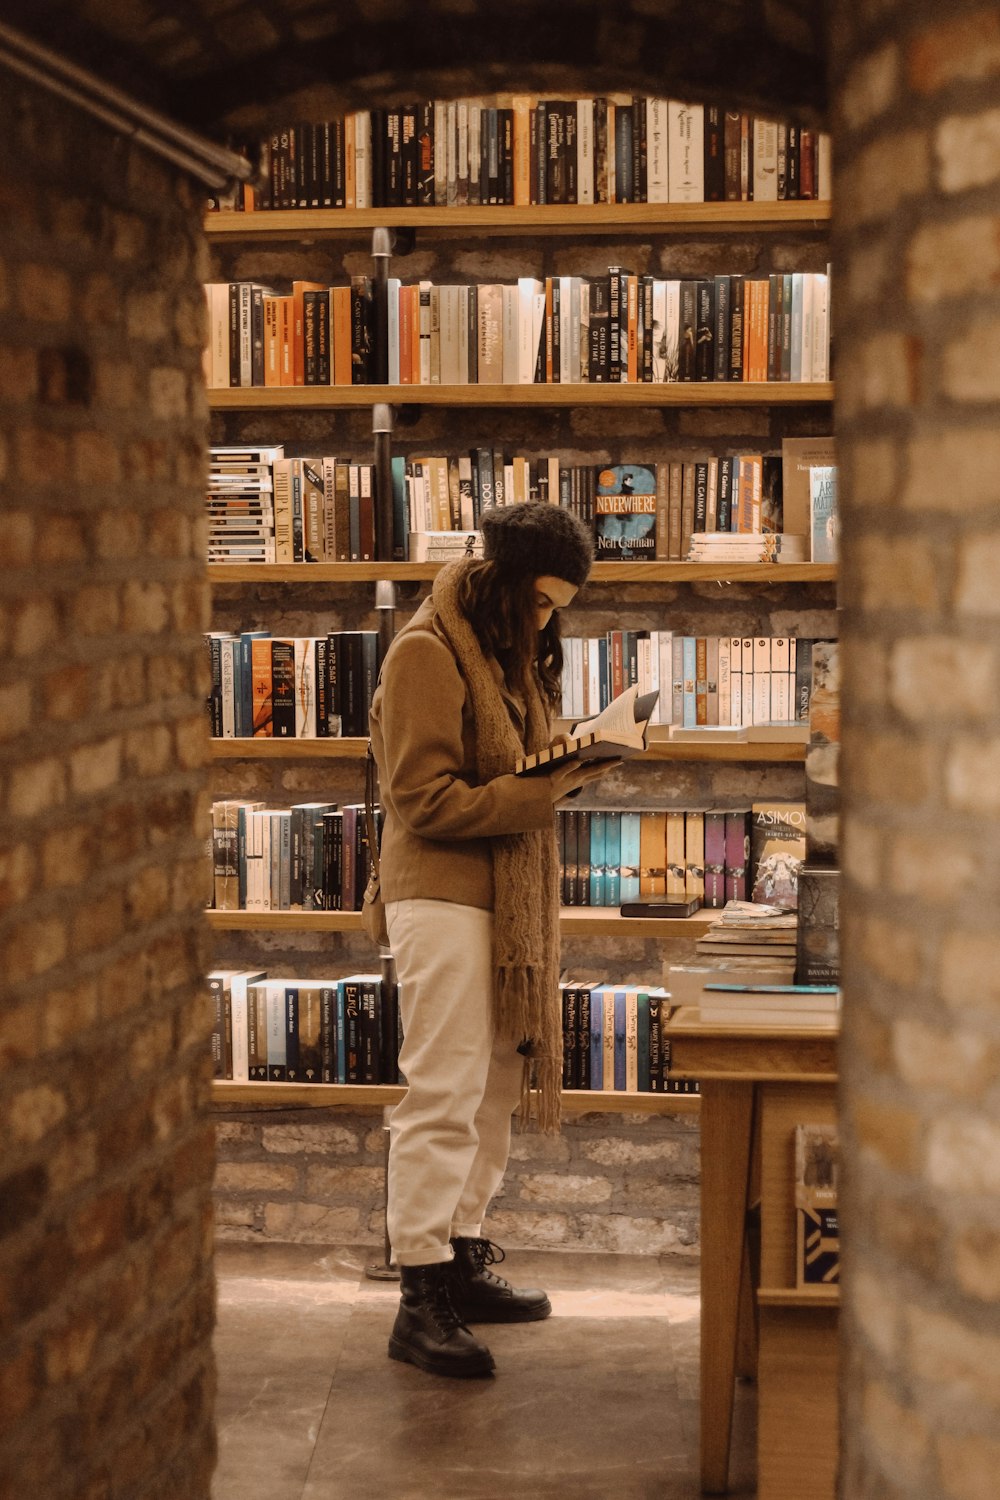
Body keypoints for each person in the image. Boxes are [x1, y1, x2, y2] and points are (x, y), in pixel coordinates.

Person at [368, 501, 617, 1379]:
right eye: (541, 602)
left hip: (501, 903)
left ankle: (462, 1256)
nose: (548, 620)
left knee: (494, 1086)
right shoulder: (426, 654)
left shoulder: (511, 662)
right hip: (439, 895)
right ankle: (419, 1294)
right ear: (506, 583)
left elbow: (514, 772)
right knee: (441, 1092)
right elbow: (422, 800)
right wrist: (537, 794)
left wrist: (572, 763)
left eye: (560, 606)